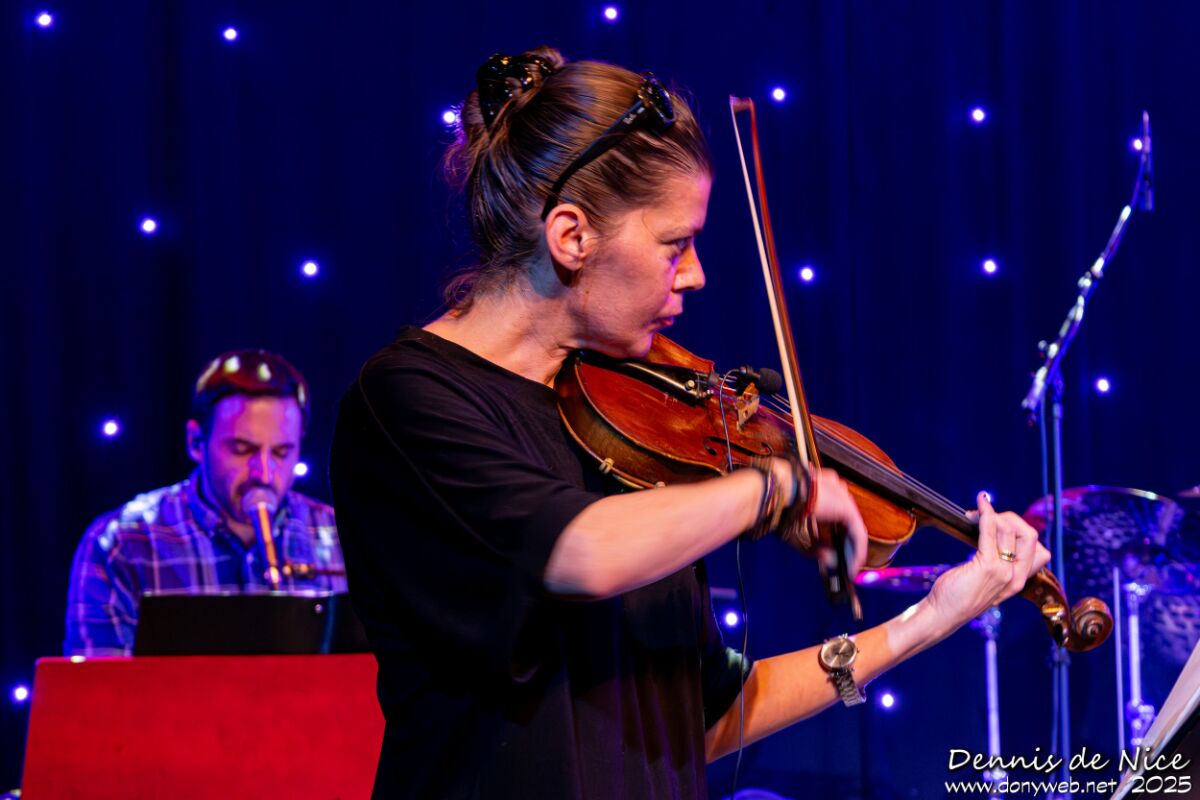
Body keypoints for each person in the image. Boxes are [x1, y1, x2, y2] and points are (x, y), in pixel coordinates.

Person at [330, 48, 1049, 799]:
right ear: (572, 237)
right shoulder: (408, 401)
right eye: (675, 244)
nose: (697, 273)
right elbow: (576, 549)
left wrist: (929, 621)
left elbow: (702, 718)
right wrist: (771, 489)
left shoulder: (627, 419)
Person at [65, 349, 346, 657]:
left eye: (282, 453)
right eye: (242, 449)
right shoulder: (123, 543)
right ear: (196, 442)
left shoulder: (341, 537)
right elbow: (99, 683)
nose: (264, 473)